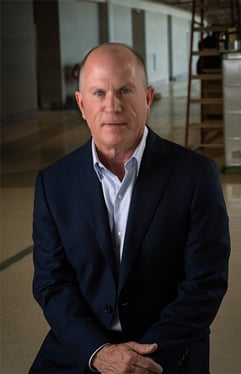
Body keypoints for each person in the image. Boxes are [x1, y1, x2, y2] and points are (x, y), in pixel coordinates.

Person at [30, 42, 230, 374]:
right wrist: (98, 352)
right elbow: (52, 284)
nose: (112, 105)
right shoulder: (53, 183)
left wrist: (145, 361)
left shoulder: (195, 176)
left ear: (148, 97)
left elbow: (205, 283)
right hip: (83, 349)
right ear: (81, 104)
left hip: (165, 351)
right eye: (98, 93)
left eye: (125, 90)